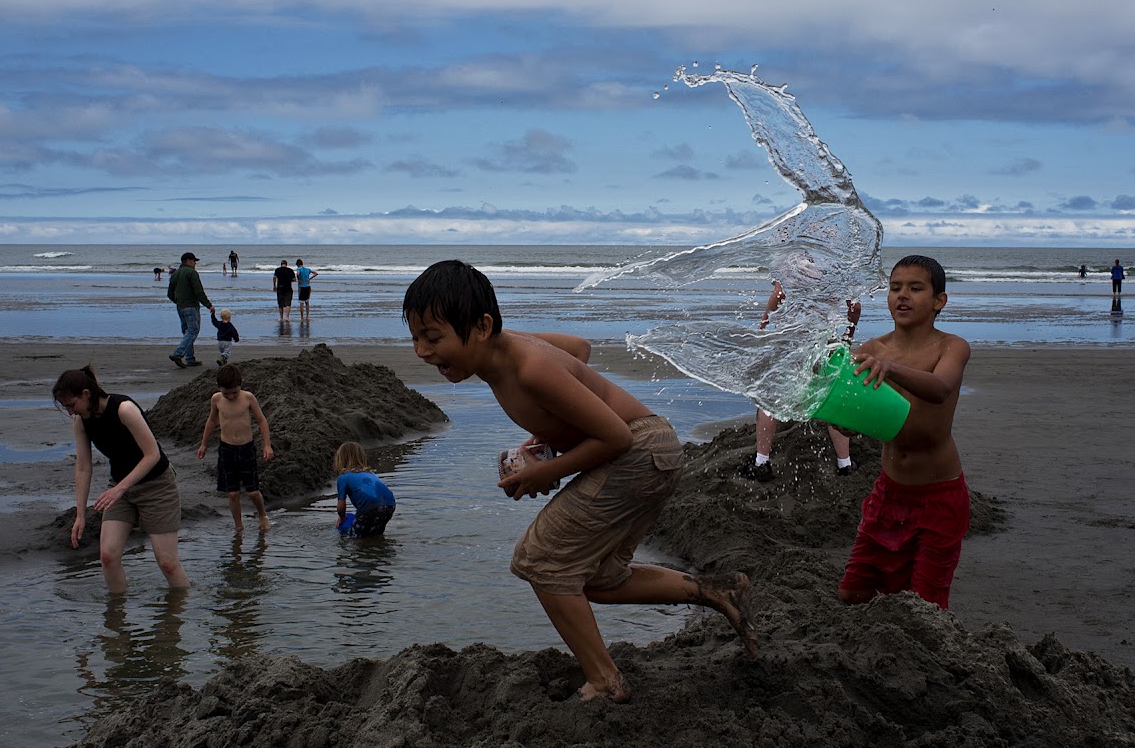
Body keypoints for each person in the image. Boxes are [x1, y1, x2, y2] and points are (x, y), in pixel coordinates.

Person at [403, 259, 755, 702]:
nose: (421, 351)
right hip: (652, 452)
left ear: (481, 326)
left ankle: (606, 682)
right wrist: (550, 428)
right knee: (598, 580)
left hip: (641, 451)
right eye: (415, 338)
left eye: (433, 338)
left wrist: (543, 471)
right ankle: (718, 591)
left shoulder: (529, 367)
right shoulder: (510, 352)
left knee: (540, 558)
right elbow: (578, 347)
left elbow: (616, 436)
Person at [838, 254, 971, 610]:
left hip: (940, 495)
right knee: (852, 593)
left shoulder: (951, 346)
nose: (903, 295)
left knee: (926, 603)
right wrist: (840, 419)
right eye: (895, 287)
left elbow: (940, 387)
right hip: (889, 493)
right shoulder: (871, 351)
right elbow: (855, 421)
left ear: (939, 301)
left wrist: (890, 368)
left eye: (915, 288)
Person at [53, 365, 190, 593]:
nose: (70, 412)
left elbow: (152, 455)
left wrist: (120, 488)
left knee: (167, 563)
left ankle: (181, 615)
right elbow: (83, 467)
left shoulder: (124, 409)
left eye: (71, 405)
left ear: (86, 394)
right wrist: (80, 515)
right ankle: (117, 619)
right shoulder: (81, 420)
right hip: (120, 488)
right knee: (107, 556)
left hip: (156, 486)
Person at [737, 280, 860, 481]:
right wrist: (847, 338)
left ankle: (761, 462)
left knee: (770, 398)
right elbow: (855, 307)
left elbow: (779, 293)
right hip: (824, 341)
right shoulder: (834, 267)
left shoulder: (793, 260)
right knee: (834, 397)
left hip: (792, 342)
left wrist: (763, 326)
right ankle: (844, 464)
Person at [196, 363, 274, 535]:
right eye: (227, 393)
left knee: (253, 492)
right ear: (220, 389)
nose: (231, 396)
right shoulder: (216, 399)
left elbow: (261, 420)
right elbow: (211, 422)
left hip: (246, 449)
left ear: (241, 384)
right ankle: (238, 526)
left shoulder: (248, 398)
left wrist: (267, 445)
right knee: (232, 494)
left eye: (234, 392)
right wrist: (203, 444)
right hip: (226, 450)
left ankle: (262, 515)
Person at [333, 441, 397, 538]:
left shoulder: (343, 477)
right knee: (376, 535)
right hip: (390, 504)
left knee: (358, 539)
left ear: (340, 460)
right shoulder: (370, 473)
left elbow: (341, 507)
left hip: (370, 506)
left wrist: (342, 518)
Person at [166, 251, 211, 367]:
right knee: (193, 330)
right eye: (194, 261)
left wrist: (178, 301)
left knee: (187, 332)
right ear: (189, 261)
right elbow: (199, 291)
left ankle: (190, 359)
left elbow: (170, 293)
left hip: (180, 307)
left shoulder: (175, 274)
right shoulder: (192, 273)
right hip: (191, 306)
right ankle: (178, 353)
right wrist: (209, 305)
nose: (195, 263)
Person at [272, 259, 296, 323]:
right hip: (288, 287)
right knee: (288, 303)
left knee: (280, 303)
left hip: (280, 287)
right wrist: (288, 280)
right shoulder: (290, 270)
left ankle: (281, 318)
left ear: (281, 264)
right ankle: (287, 317)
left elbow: (274, 278)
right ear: (286, 264)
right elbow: (294, 279)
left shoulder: (277, 270)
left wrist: (274, 286)